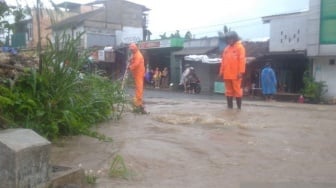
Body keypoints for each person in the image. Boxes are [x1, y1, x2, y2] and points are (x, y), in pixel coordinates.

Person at [218, 31, 246, 109]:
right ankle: (229, 108)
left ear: (235, 38)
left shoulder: (240, 47)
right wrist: (221, 72)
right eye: (228, 39)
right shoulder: (226, 49)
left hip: (236, 75)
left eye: (230, 39)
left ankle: (239, 108)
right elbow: (223, 61)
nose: (229, 41)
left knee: (237, 91)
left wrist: (241, 72)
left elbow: (242, 60)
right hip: (227, 74)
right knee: (228, 92)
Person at [128, 43, 148, 114]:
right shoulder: (134, 54)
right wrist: (130, 60)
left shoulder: (138, 55)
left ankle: (138, 102)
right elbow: (133, 60)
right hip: (136, 74)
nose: (131, 51)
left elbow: (136, 64)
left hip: (139, 74)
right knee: (137, 87)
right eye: (131, 50)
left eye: (132, 49)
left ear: (135, 48)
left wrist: (130, 67)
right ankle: (137, 101)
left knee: (139, 88)